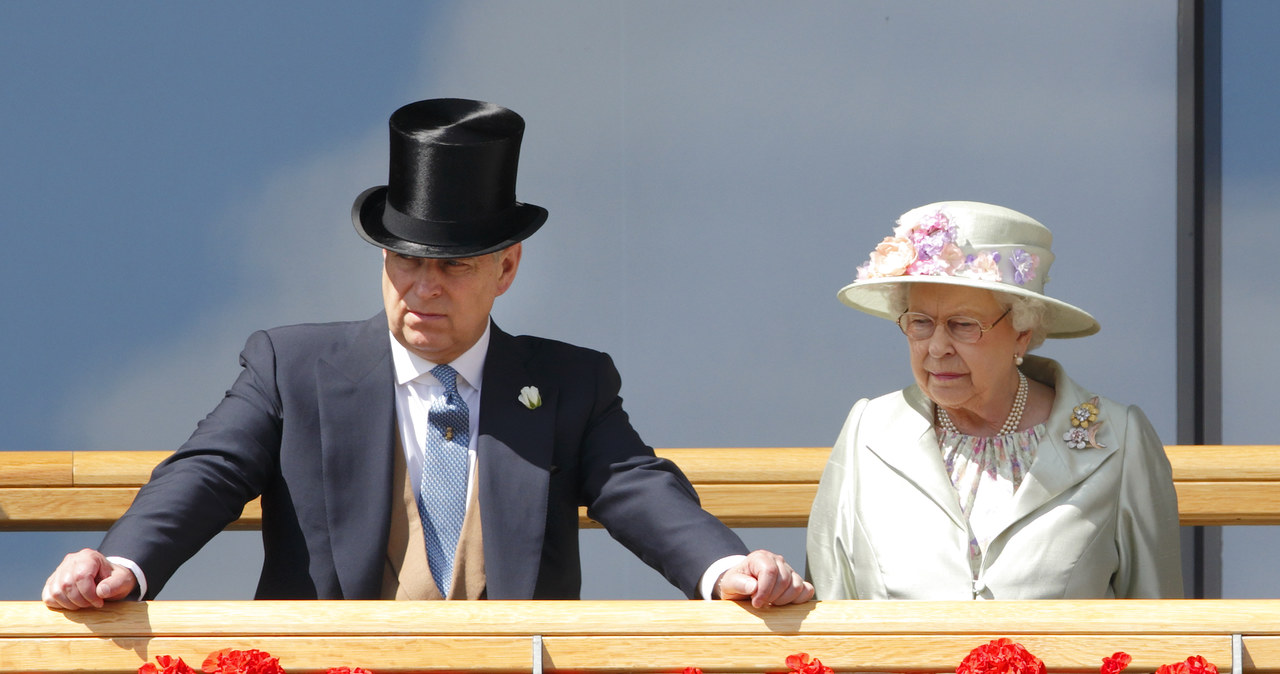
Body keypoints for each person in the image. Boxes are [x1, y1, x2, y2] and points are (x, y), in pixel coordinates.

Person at [43, 98, 813, 610]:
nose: (423, 286)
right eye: (405, 261)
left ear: (506, 269)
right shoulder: (292, 367)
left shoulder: (568, 384)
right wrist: (125, 566)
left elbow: (638, 489)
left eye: (453, 265)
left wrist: (726, 572)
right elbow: (206, 473)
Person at [806, 201, 1182, 600]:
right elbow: (828, 610)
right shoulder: (869, 430)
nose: (936, 347)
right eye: (920, 322)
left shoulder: (1115, 437)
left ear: (1023, 332)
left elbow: (1161, 624)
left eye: (964, 325)